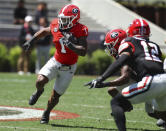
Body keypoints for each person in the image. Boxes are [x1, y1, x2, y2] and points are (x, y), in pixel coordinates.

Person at [85, 19, 166, 131]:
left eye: (110, 46)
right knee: (159, 114)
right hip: (163, 79)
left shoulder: (129, 42)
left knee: (116, 103)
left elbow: (122, 64)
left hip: (151, 81)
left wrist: (102, 78)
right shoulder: (154, 45)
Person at [23, 4, 88, 124]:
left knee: (55, 96)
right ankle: (39, 91)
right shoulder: (56, 24)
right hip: (55, 61)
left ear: (74, 19)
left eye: (66, 19)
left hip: (69, 68)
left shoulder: (80, 29)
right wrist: (31, 41)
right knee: (39, 81)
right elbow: (43, 31)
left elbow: (83, 51)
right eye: (62, 18)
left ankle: (46, 112)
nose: (62, 21)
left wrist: (71, 45)